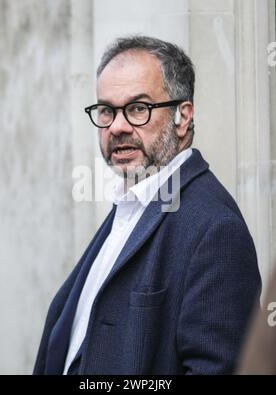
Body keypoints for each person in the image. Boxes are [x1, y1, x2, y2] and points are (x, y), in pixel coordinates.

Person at [33, 36, 261, 375]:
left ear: (183, 117)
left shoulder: (216, 230)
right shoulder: (131, 204)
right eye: (107, 110)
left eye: (138, 108)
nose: (117, 126)